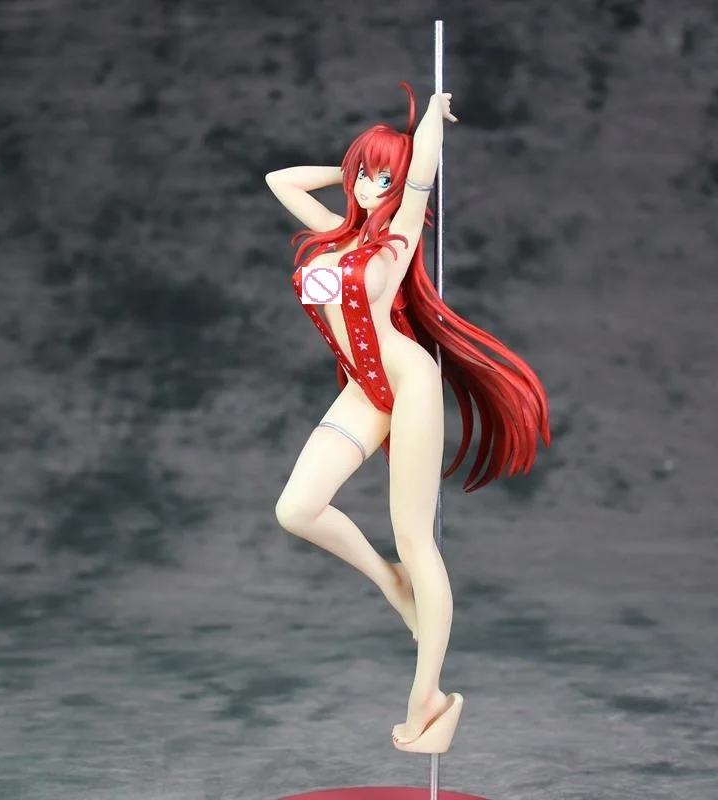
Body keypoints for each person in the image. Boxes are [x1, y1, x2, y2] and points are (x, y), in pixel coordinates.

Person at [266, 84, 550, 753]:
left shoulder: (396, 236)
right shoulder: (334, 233)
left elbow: (421, 170)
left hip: (407, 382)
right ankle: (390, 582)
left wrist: (430, 125)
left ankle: (429, 699)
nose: (372, 189)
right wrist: (354, 167)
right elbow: (280, 179)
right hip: (363, 388)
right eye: (365, 176)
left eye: (383, 180)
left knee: (416, 538)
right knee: (296, 509)